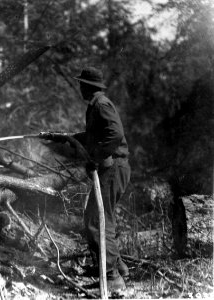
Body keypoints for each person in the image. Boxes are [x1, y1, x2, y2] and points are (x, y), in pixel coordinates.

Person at [72, 67, 131, 291]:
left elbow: (114, 134)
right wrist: (68, 138)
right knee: (104, 218)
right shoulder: (97, 105)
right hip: (116, 167)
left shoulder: (100, 104)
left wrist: (96, 157)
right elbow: (96, 135)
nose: (79, 88)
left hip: (113, 167)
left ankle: (112, 279)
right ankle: (119, 269)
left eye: (81, 84)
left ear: (88, 86)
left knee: (96, 220)